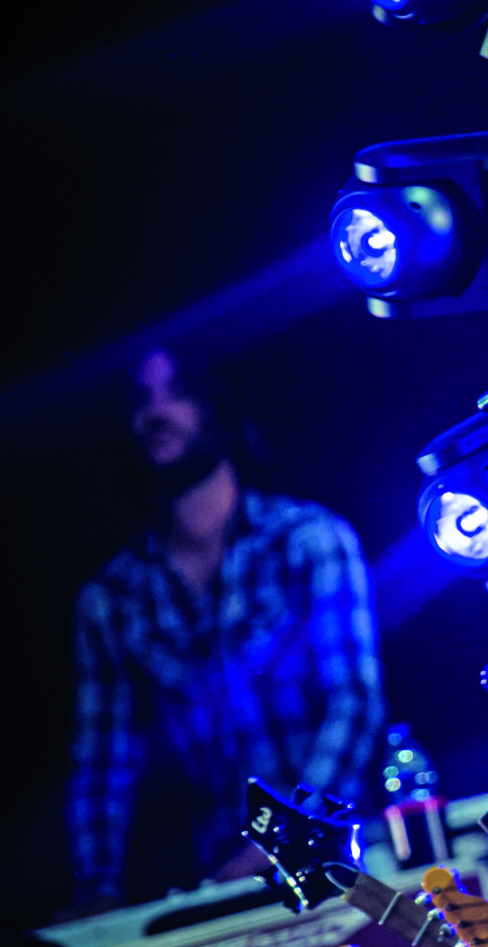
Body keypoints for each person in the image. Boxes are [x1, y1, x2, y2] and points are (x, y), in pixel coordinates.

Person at [65, 350, 383, 909]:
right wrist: (96, 894)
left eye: (177, 392)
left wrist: (281, 842)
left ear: (217, 405)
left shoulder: (307, 540)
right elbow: (103, 764)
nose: (156, 413)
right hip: (220, 889)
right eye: (140, 400)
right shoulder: (110, 599)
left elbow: (353, 705)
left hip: (347, 867)